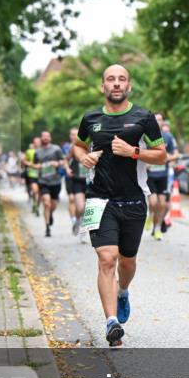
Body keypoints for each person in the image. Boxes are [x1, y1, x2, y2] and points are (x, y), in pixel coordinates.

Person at [72, 64, 167, 347]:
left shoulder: (144, 117)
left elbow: (162, 156)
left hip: (134, 200)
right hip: (98, 200)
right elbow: (78, 145)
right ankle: (111, 322)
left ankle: (123, 290)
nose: (116, 83)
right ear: (102, 86)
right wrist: (82, 157)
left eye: (121, 79)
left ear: (129, 86)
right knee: (106, 259)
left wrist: (133, 152)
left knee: (127, 261)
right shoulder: (91, 118)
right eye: (110, 79)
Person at [145, 113, 179, 241]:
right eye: (155, 120)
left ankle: (157, 227)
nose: (157, 122)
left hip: (163, 176)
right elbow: (138, 153)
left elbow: (176, 154)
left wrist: (166, 158)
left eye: (160, 120)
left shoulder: (168, 137)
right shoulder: (145, 136)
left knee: (163, 204)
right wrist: (146, 162)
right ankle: (150, 214)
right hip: (150, 175)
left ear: (163, 122)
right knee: (153, 202)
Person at [34, 131, 65, 237]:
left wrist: (57, 163)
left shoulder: (56, 149)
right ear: (41, 138)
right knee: (46, 203)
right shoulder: (37, 152)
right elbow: (35, 164)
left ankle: (50, 213)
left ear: (50, 138)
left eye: (47, 136)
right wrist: (38, 166)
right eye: (43, 136)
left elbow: (63, 160)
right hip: (43, 181)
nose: (45, 138)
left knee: (53, 205)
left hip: (55, 181)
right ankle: (47, 227)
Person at [64, 128, 89, 240]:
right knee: (80, 207)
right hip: (78, 181)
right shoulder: (74, 147)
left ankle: (83, 232)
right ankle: (78, 220)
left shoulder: (92, 146)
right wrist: (67, 169)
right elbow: (66, 159)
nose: (74, 137)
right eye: (72, 135)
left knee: (89, 208)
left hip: (91, 181)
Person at [23, 137, 41, 215]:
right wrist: (28, 164)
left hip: (42, 174)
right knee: (34, 190)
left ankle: (37, 206)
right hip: (32, 173)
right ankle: (34, 202)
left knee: (40, 192)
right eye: (35, 142)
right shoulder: (29, 151)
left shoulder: (44, 151)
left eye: (38, 142)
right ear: (33, 143)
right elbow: (24, 160)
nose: (37, 143)